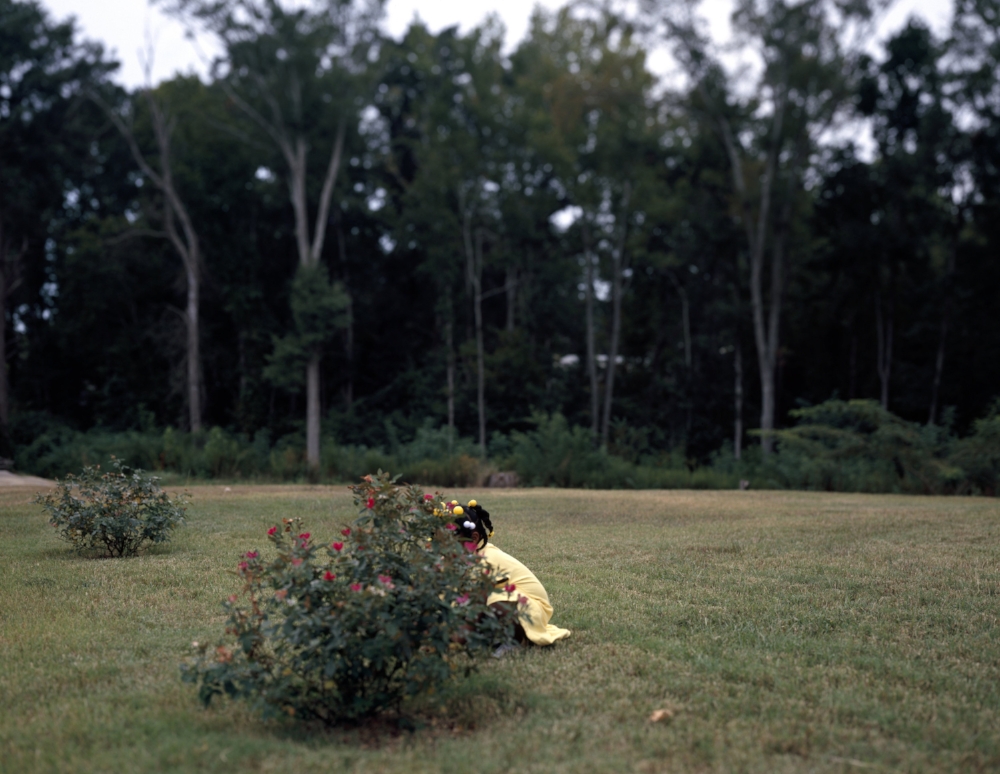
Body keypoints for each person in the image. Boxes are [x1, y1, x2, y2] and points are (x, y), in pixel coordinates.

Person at [448, 499, 571, 648]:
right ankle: (490, 636)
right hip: (491, 607)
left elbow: (476, 602)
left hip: (530, 609)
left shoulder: (486, 559)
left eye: (450, 542)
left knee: (496, 602)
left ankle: (512, 641)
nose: (444, 548)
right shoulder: (458, 559)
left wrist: (457, 638)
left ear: (474, 538)